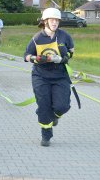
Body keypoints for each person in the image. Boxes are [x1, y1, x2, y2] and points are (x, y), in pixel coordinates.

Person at [24, 8, 74, 147]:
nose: (54, 22)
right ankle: (46, 135)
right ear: (45, 21)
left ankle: (55, 116)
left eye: (57, 20)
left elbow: (71, 52)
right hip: (41, 76)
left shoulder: (64, 36)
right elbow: (26, 56)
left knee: (62, 106)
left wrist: (63, 58)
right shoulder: (36, 38)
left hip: (60, 76)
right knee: (44, 105)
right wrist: (35, 58)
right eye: (52, 19)